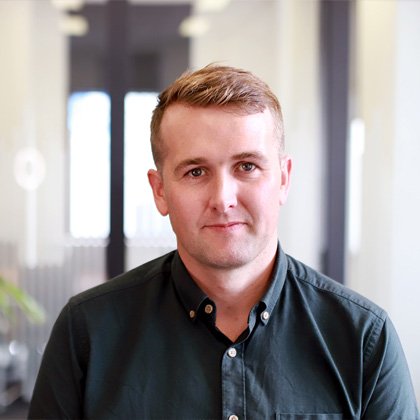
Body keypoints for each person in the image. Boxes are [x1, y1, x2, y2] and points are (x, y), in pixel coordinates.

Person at [28, 64, 419, 419]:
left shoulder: (363, 340)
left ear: (283, 179)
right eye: (196, 172)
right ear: (160, 191)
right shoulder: (87, 333)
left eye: (247, 166)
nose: (223, 199)